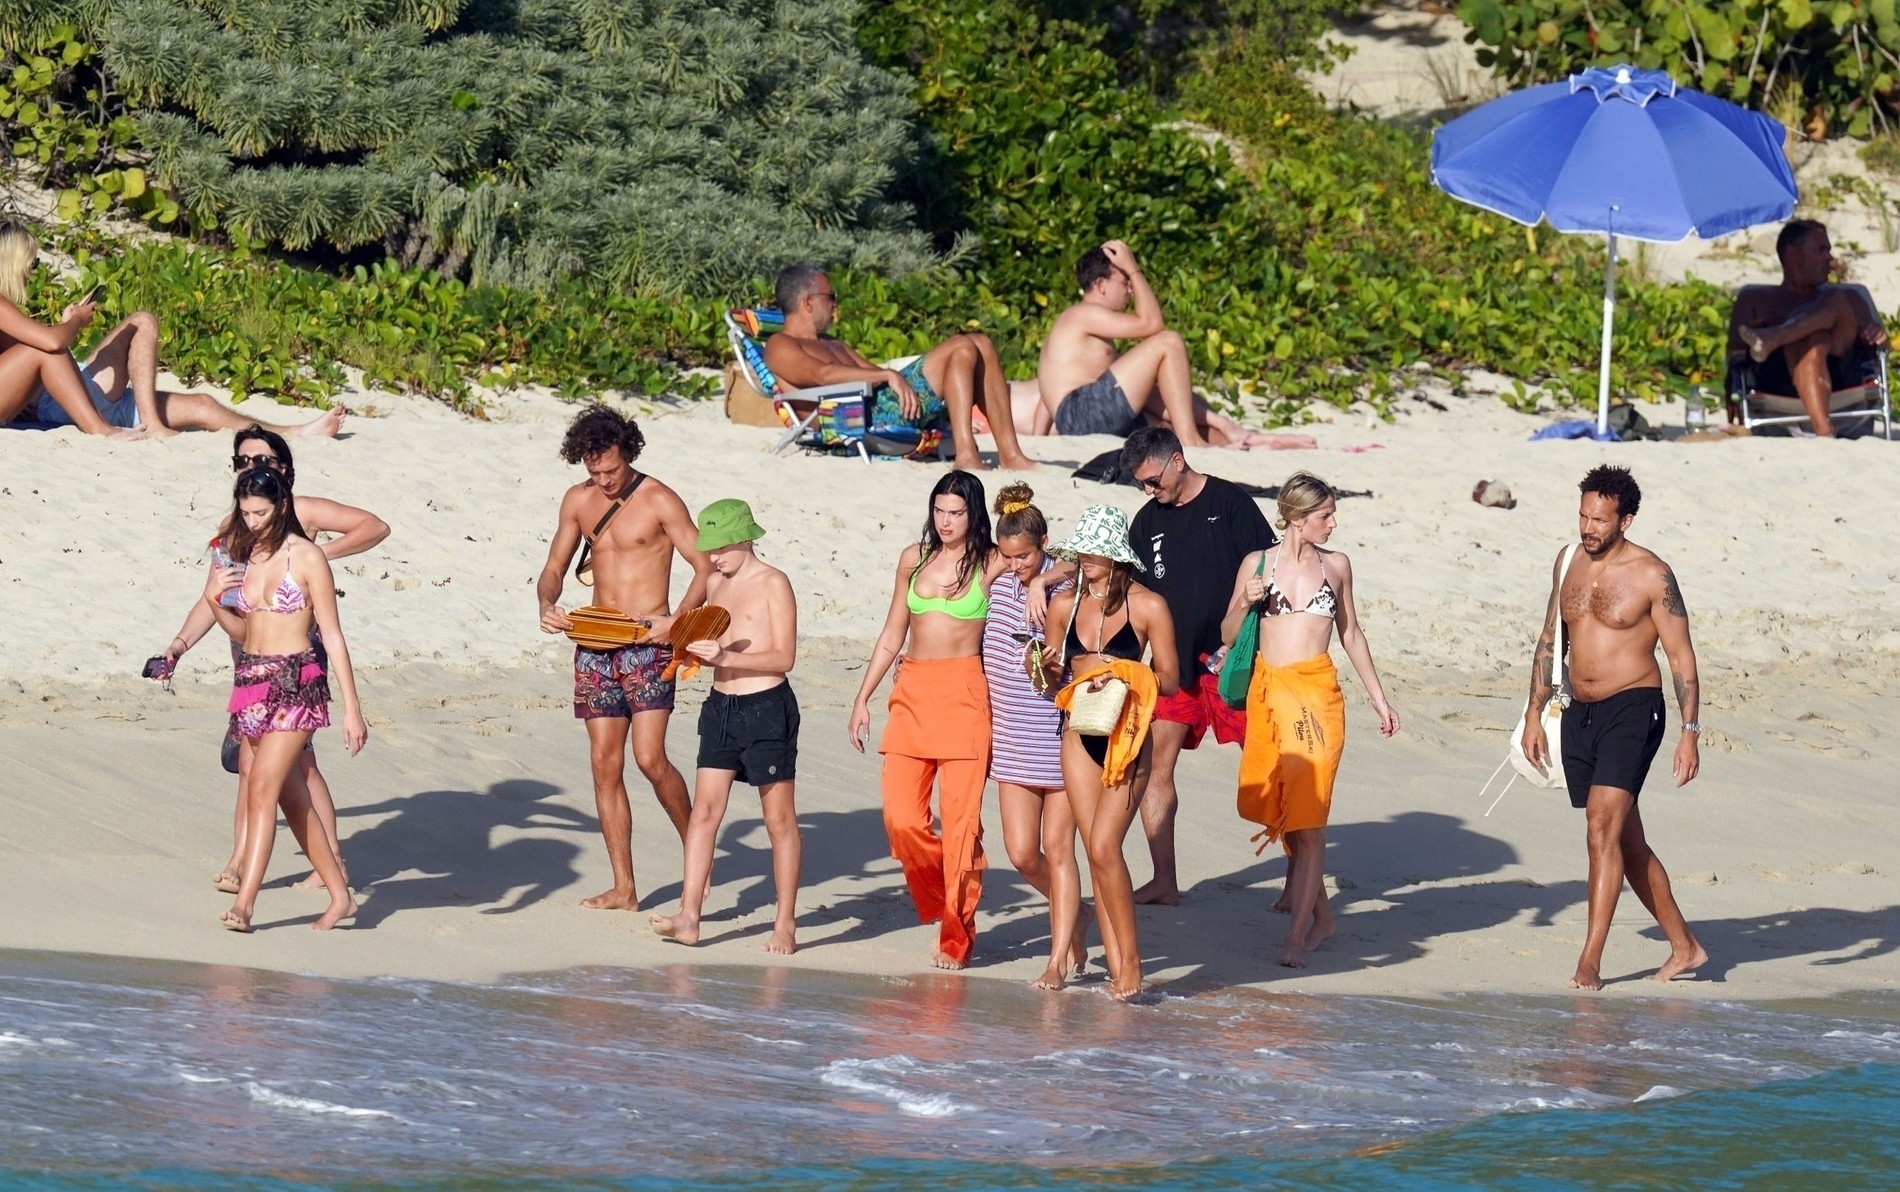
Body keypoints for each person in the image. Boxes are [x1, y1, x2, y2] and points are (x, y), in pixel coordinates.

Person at [161, 426, 389, 894]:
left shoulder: (301, 512)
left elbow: (375, 526)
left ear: (283, 468)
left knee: (296, 766)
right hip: (248, 658)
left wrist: (315, 557)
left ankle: (314, 863)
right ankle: (254, 858)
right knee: (255, 766)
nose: (251, 468)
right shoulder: (235, 529)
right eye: (242, 462)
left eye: (261, 461)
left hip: (296, 660)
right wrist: (179, 644)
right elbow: (213, 597)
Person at [1520, 465, 1707, 991]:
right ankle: (1685, 947)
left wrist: (1690, 731)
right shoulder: (1567, 562)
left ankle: (1590, 962)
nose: (1588, 528)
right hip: (1580, 712)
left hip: (1634, 708)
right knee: (1626, 839)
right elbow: (1549, 640)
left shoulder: (1653, 575)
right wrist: (1534, 713)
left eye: (1599, 520)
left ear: (1626, 520)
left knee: (1601, 826)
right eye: (1583, 516)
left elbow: (1681, 658)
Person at [537, 404, 713, 911]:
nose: (604, 480)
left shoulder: (659, 499)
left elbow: (704, 567)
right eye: (595, 472)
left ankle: (698, 857)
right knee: (604, 764)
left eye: (611, 470)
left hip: (647, 645)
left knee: (649, 758)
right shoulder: (579, 500)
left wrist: (676, 622)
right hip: (594, 645)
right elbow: (553, 568)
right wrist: (546, 604)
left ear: (628, 453)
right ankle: (624, 887)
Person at [1223, 472, 1398, 969]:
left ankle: (1297, 936)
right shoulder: (1257, 564)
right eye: (1325, 515)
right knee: (1286, 816)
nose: (1333, 523)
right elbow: (1228, 632)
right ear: (1297, 519)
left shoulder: (1336, 565)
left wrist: (1379, 699)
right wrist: (1245, 600)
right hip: (1269, 696)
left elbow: (1352, 633)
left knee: (1311, 820)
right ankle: (1323, 918)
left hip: (1318, 699)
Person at [849, 470, 1011, 970]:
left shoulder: (992, 562)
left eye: (956, 513)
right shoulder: (913, 559)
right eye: (939, 510)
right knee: (901, 819)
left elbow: (1051, 557)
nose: (946, 521)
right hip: (912, 693)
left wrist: (1038, 585)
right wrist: (862, 697)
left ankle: (956, 936)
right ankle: (944, 898)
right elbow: (891, 634)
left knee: (961, 827)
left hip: (964, 695)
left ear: (974, 514)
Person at [206, 465, 367, 932]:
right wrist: (216, 603)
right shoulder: (244, 556)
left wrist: (353, 710)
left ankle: (246, 904)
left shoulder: (308, 557)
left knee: (262, 787)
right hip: (251, 683)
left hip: (297, 682)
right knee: (293, 801)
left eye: (260, 513)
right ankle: (341, 897)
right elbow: (246, 632)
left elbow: (332, 635)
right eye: (246, 513)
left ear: (280, 507)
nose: (252, 521)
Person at [1121, 426, 1278, 905]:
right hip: (1175, 667)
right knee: (1154, 767)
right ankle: (1164, 880)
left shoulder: (1230, 504)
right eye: (1141, 484)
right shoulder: (1148, 521)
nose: (1148, 490)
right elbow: (1131, 594)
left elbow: (1270, 570)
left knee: (1272, 767)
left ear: (1177, 460)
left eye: (1152, 480)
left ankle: (1300, 882)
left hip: (1236, 665)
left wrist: (1253, 643)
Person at [0, 223, 344, 438]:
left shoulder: (8, 308)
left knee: (203, 405)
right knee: (134, 323)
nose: (34, 269)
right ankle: (111, 429)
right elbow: (52, 344)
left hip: (64, 396)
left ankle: (292, 432)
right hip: (64, 404)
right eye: (32, 261)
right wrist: (75, 320)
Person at [649, 500, 803, 954]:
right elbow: (689, 631)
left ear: (746, 539)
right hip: (721, 708)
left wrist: (726, 656)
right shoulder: (714, 583)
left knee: (778, 820)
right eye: (709, 549)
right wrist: (680, 641)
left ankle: (785, 924)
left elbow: (785, 657)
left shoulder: (774, 582)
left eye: (721, 548)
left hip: (767, 707)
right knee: (703, 812)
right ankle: (689, 916)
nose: (713, 558)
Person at [1039, 504, 1178, 1000]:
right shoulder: (1064, 605)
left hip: (1128, 734)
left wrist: (1124, 673)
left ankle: (1131, 962)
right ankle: (1117, 965)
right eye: (1082, 550)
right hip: (1079, 732)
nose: (1085, 558)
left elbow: (1170, 679)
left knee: (1104, 847)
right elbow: (1051, 682)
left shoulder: (1148, 606)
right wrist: (1046, 668)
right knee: (1093, 851)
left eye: (1095, 551)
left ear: (1117, 555)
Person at [1037, 240, 1315, 450]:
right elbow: (1153, 324)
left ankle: (1251, 440)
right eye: (1124, 281)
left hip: (1088, 415)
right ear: (1100, 285)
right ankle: (1191, 440)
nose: (1130, 288)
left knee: (1171, 422)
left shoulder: (1090, 326)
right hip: (1082, 415)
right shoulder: (1082, 314)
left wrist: (1220, 421)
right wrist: (1132, 267)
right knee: (1169, 342)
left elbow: (1047, 393)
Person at [762, 264, 1034, 472]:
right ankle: (966, 455)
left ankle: (1011, 454)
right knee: (962, 345)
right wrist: (888, 374)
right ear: (808, 302)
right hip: (861, 418)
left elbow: (873, 374)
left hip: (887, 405)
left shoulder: (832, 343)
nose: (835, 304)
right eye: (831, 297)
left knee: (981, 343)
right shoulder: (779, 345)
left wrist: (889, 376)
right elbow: (822, 375)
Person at [981, 482, 1086, 989]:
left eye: (1023, 556)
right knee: (1023, 853)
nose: (1016, 564)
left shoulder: (1064, 587)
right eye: (1008, 555)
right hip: (1011, 738)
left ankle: (1057, 959)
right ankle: (1075, 911)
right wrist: (1009, 571)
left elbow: (1082, 562)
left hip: (1057, 734)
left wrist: (1045, 579)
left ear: (1043, 543)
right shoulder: (998, 577)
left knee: (1058, 848)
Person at [1729, 219, 1889, 437]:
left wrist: (1879, 336)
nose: (1830, 258)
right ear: (1792, 255)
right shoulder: (1755, 298)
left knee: (1832, 306)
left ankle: (1773, 337)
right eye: (1821, 250)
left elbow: (1879, 349)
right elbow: (1735, 354)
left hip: (1840, 378)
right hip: (1778, 383)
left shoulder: (1848, 297)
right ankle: (1824, 431)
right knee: (1815, 340)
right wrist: (1732, 390)